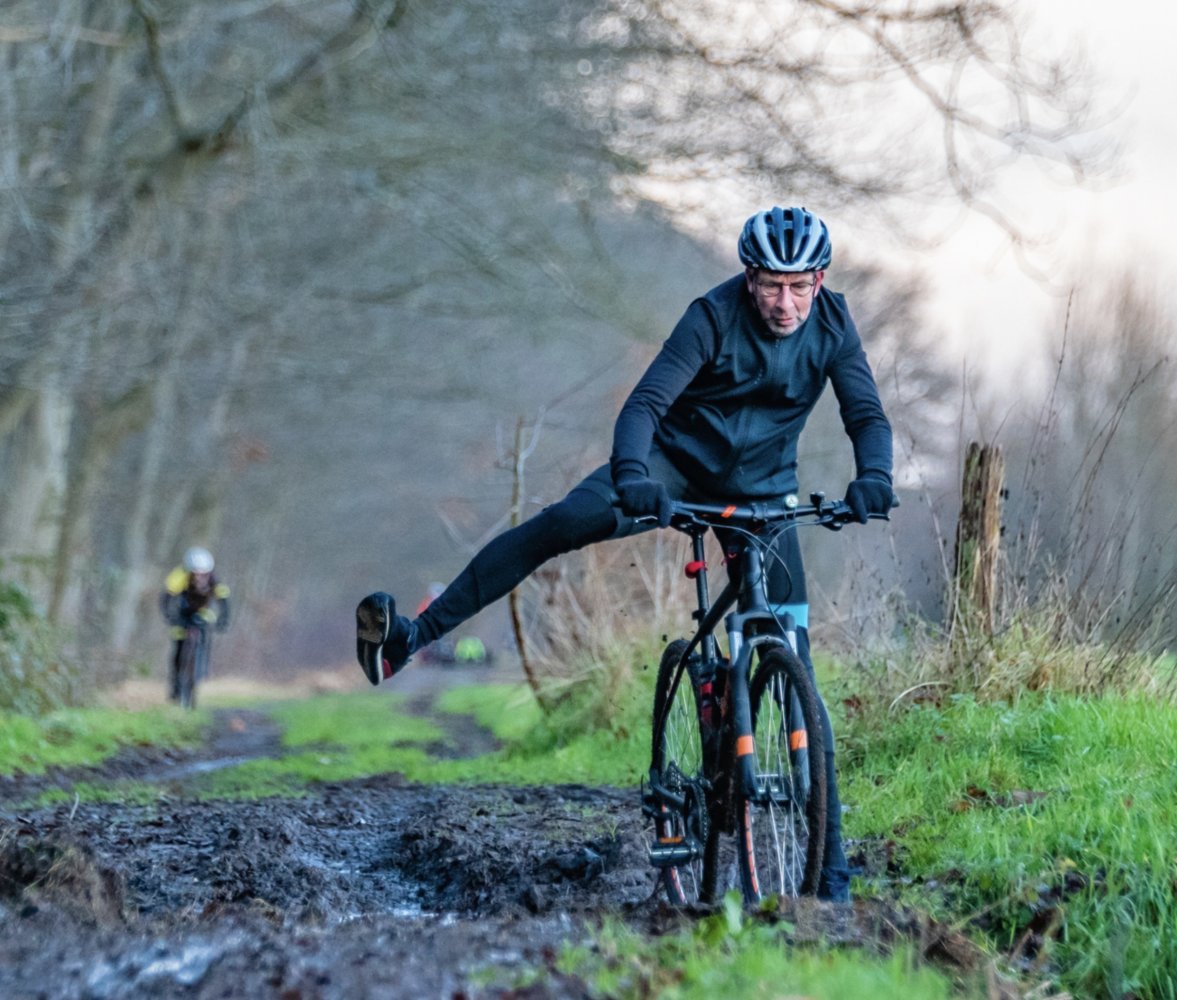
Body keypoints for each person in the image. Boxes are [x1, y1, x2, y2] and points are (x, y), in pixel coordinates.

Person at [355, 206, 895, 900]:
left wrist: (875, 477)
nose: (784, 303)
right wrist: (635, 475)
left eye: (798, 286)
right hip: (670, 468)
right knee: (561, 522)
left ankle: (831, 874)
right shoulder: (711, 317)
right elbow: (643, 406)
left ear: (819, 280)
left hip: (764, 494)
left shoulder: (835, 324)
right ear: (748, 278)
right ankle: (410, 639)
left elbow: (865, 415)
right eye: (770, 285)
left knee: (801, 671)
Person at [161, 546, 232, 701]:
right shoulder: (180, 575)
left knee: (205, 637)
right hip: (182, 614)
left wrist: (224, 620)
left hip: (203, 614)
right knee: (178, 645)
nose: (200, 577)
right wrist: (169, 616)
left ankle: (201, 669)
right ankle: (176, 685)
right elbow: (166, 597)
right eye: (196, 573)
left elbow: (224, 601)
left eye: (203, 573)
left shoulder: (214, 579)